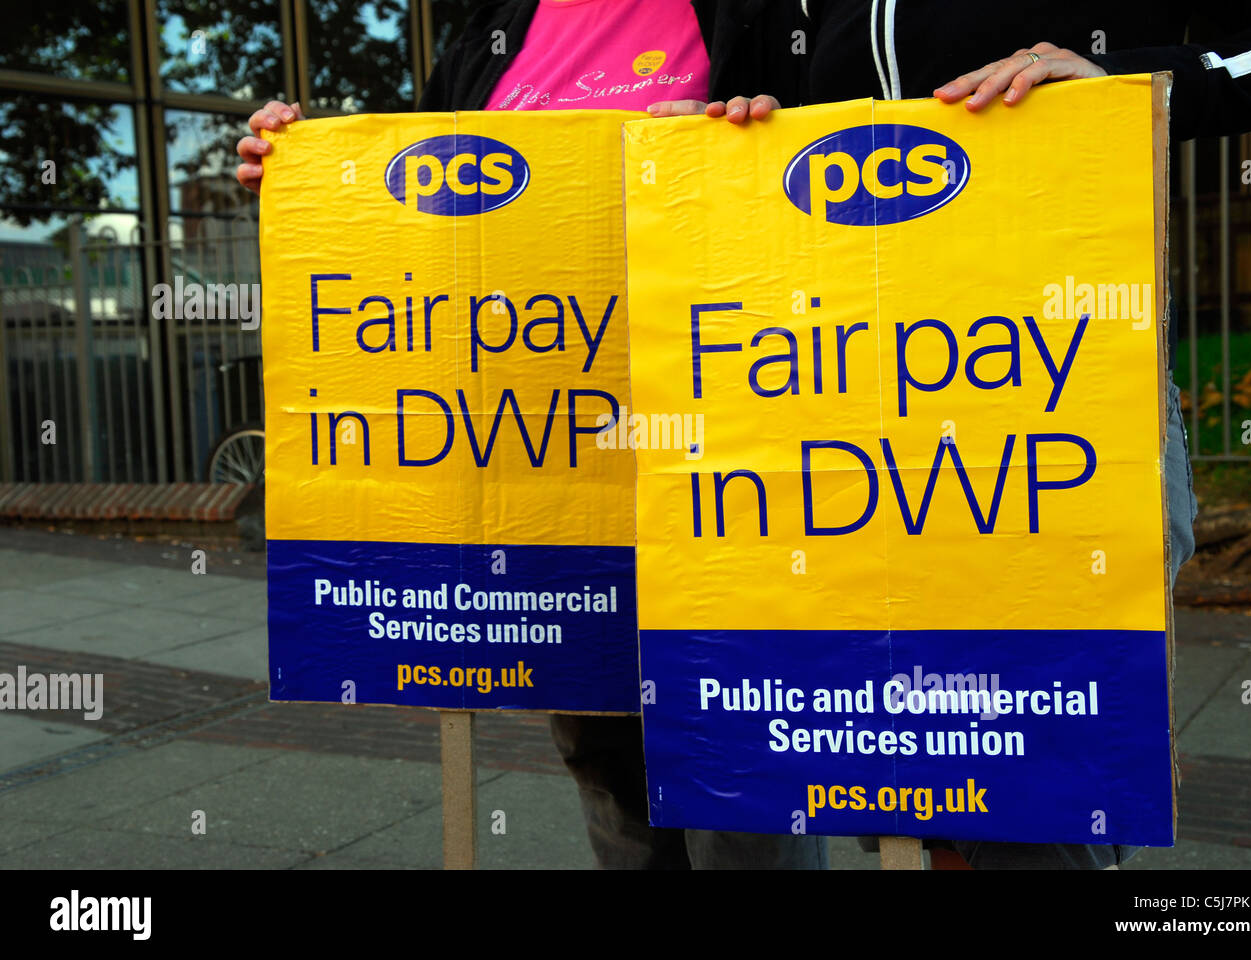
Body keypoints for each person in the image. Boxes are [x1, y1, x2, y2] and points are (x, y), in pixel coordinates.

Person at [660, 0, 1251, 868]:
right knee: (870, 724)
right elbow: (777, 84)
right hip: (830, 343)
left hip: (1042, 333)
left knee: (1033, 734)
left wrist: (1127, 81)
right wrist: (734, 133)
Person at [236, 0, 826, 870]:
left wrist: (756, 139)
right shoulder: (496, 24)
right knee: (601, 747)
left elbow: (829, 180)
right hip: (553, 462)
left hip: (718, 453)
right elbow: (429, 219)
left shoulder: (749, 10)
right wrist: (307, 178)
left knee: (737, 750)